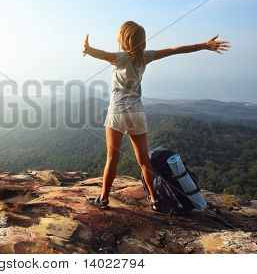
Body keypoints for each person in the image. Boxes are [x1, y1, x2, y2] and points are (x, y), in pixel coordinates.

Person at [83, 21, 230, 210]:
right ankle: (154, 200)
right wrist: (203, 46)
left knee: (112, 159)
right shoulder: (145, 57)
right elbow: (174, 50)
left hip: (118, 112)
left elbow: (101, 55)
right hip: (137, 112)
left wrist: (89, 49)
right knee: (144, 160)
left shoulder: (118, 58)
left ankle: (103, 199)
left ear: (123, 39)